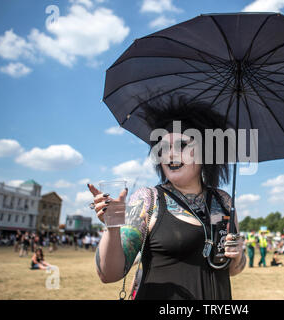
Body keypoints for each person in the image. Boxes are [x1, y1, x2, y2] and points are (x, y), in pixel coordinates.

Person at [88, 97, 245, 300]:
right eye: (163, 148)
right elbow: (108, 274)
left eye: (182, 146)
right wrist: (112, 227)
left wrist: (237, 253)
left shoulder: (224, 201)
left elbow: (233, 270)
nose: (170, 154)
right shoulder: (148, 200)